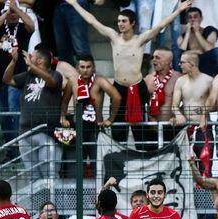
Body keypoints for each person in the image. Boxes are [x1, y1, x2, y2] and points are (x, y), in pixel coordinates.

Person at [65, 0, 193, 144]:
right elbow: (92, 21)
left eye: (124, 21)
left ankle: (142, 155)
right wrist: (75, 4)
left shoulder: (140, 40)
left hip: (137, 88)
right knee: (118, 129)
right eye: (119, 21)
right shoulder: (114, 37)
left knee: (140, 129)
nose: (120, 24)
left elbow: (160, 25)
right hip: (119, 87)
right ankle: (119, 159)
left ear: (132, 23)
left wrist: (178, 10)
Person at [3, 44, 63, 179]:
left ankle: (53, 201)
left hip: (46, 133)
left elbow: (52, 81)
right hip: (25, 134)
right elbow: (7, 79)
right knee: (34, 179)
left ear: (39, 61)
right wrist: (13, 61)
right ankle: (39, 201)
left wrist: (31, 65)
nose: (29, 58)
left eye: (32, 57)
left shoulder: (56, 75)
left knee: (50, 176)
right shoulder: (27, 76)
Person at [60, 54, 121, 178]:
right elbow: (64, 101)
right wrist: (63, 117)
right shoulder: (73, 81)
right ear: (77, 68)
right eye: (82, 67)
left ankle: (98, 196)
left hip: (95, 129)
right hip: (78, 129)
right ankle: (78, 196)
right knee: (76, 169)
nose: (85, 70)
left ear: (93, 67)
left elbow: (117, 97)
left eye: (88, 67)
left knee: (97, 168)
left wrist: (110, 119)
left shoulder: (99, 80)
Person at [0, 0, 34, 162]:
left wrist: (19, 11)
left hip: (16, 80)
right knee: (4, 117)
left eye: (14, 12)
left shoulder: (22, 29)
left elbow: (32, 26)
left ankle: (18, 151)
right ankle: (11, 151)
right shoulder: (0, 27)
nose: (13, 14)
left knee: (15, 115)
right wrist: (7, 13)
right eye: (10, 12)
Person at [170, 50, 214, 177]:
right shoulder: (181, 81)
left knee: (205, 166)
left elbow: (216, 105)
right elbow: (174, 105)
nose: (179, 65)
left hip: (203, 128)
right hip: (184, 129)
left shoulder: (208, 80)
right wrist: (178, 115)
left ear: (192, 64)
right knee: (182, 166)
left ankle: (204, 196)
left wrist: (204, 112)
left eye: (182, 62)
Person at [144, 46, 182, 143]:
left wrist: (178, 116)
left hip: (173, 127)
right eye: (153, 57)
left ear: (168, 62)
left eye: (158, 57)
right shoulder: (148, 79)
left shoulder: (179, 78)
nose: (154, 60)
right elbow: (143, 103)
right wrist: (149, 117)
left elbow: (187, 102)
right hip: (152, 128)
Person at [177, 6, 218, 77]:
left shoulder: (210, 30)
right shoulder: (182, 36)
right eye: (190, 17)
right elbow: (180, 52)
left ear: (201, 18)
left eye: (195, 17)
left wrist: (197, 32)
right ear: (187, 20)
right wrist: (188, 33)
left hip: (206, 62)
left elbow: (209, 50)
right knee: (176, 52)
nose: (193, 19)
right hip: (189, 63)